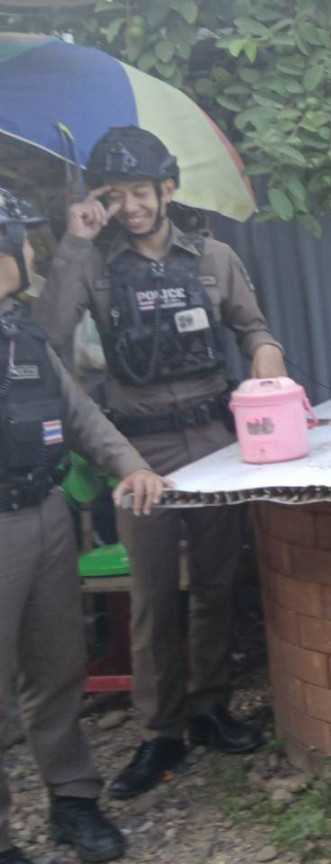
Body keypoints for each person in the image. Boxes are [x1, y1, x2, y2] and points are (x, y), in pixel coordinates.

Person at [33, 126, 285, 799]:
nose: (131, 205)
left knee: (215, 582)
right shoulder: (92, 263)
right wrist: (74, 241)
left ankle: (209, 707)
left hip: (214, 439)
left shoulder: (212, 258)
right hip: (139, 451)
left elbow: (253, 329)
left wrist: (268, 366)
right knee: (150, 594)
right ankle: (160, 732)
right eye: (115, 195)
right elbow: (49, 336)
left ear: (167, 189)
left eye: (141, 191)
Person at [0, 187, 169, 863]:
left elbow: (78, 415)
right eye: (22, 240)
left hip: (45, 516)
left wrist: (131, 464)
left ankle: (72, 799)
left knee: (58, 666)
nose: (30, 249)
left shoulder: (21, 332)